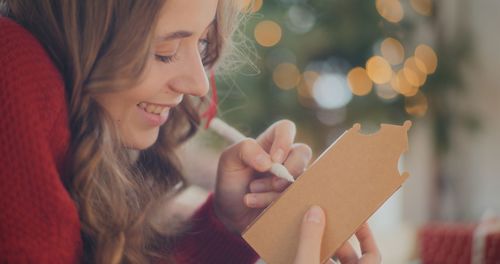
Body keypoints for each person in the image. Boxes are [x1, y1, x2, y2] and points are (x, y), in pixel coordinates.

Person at [0, 0, 381, 263]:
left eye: (200, 44)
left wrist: (227, 227)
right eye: (165, 51)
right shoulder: (10, 64)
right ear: (85, 32)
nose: (199, 85)